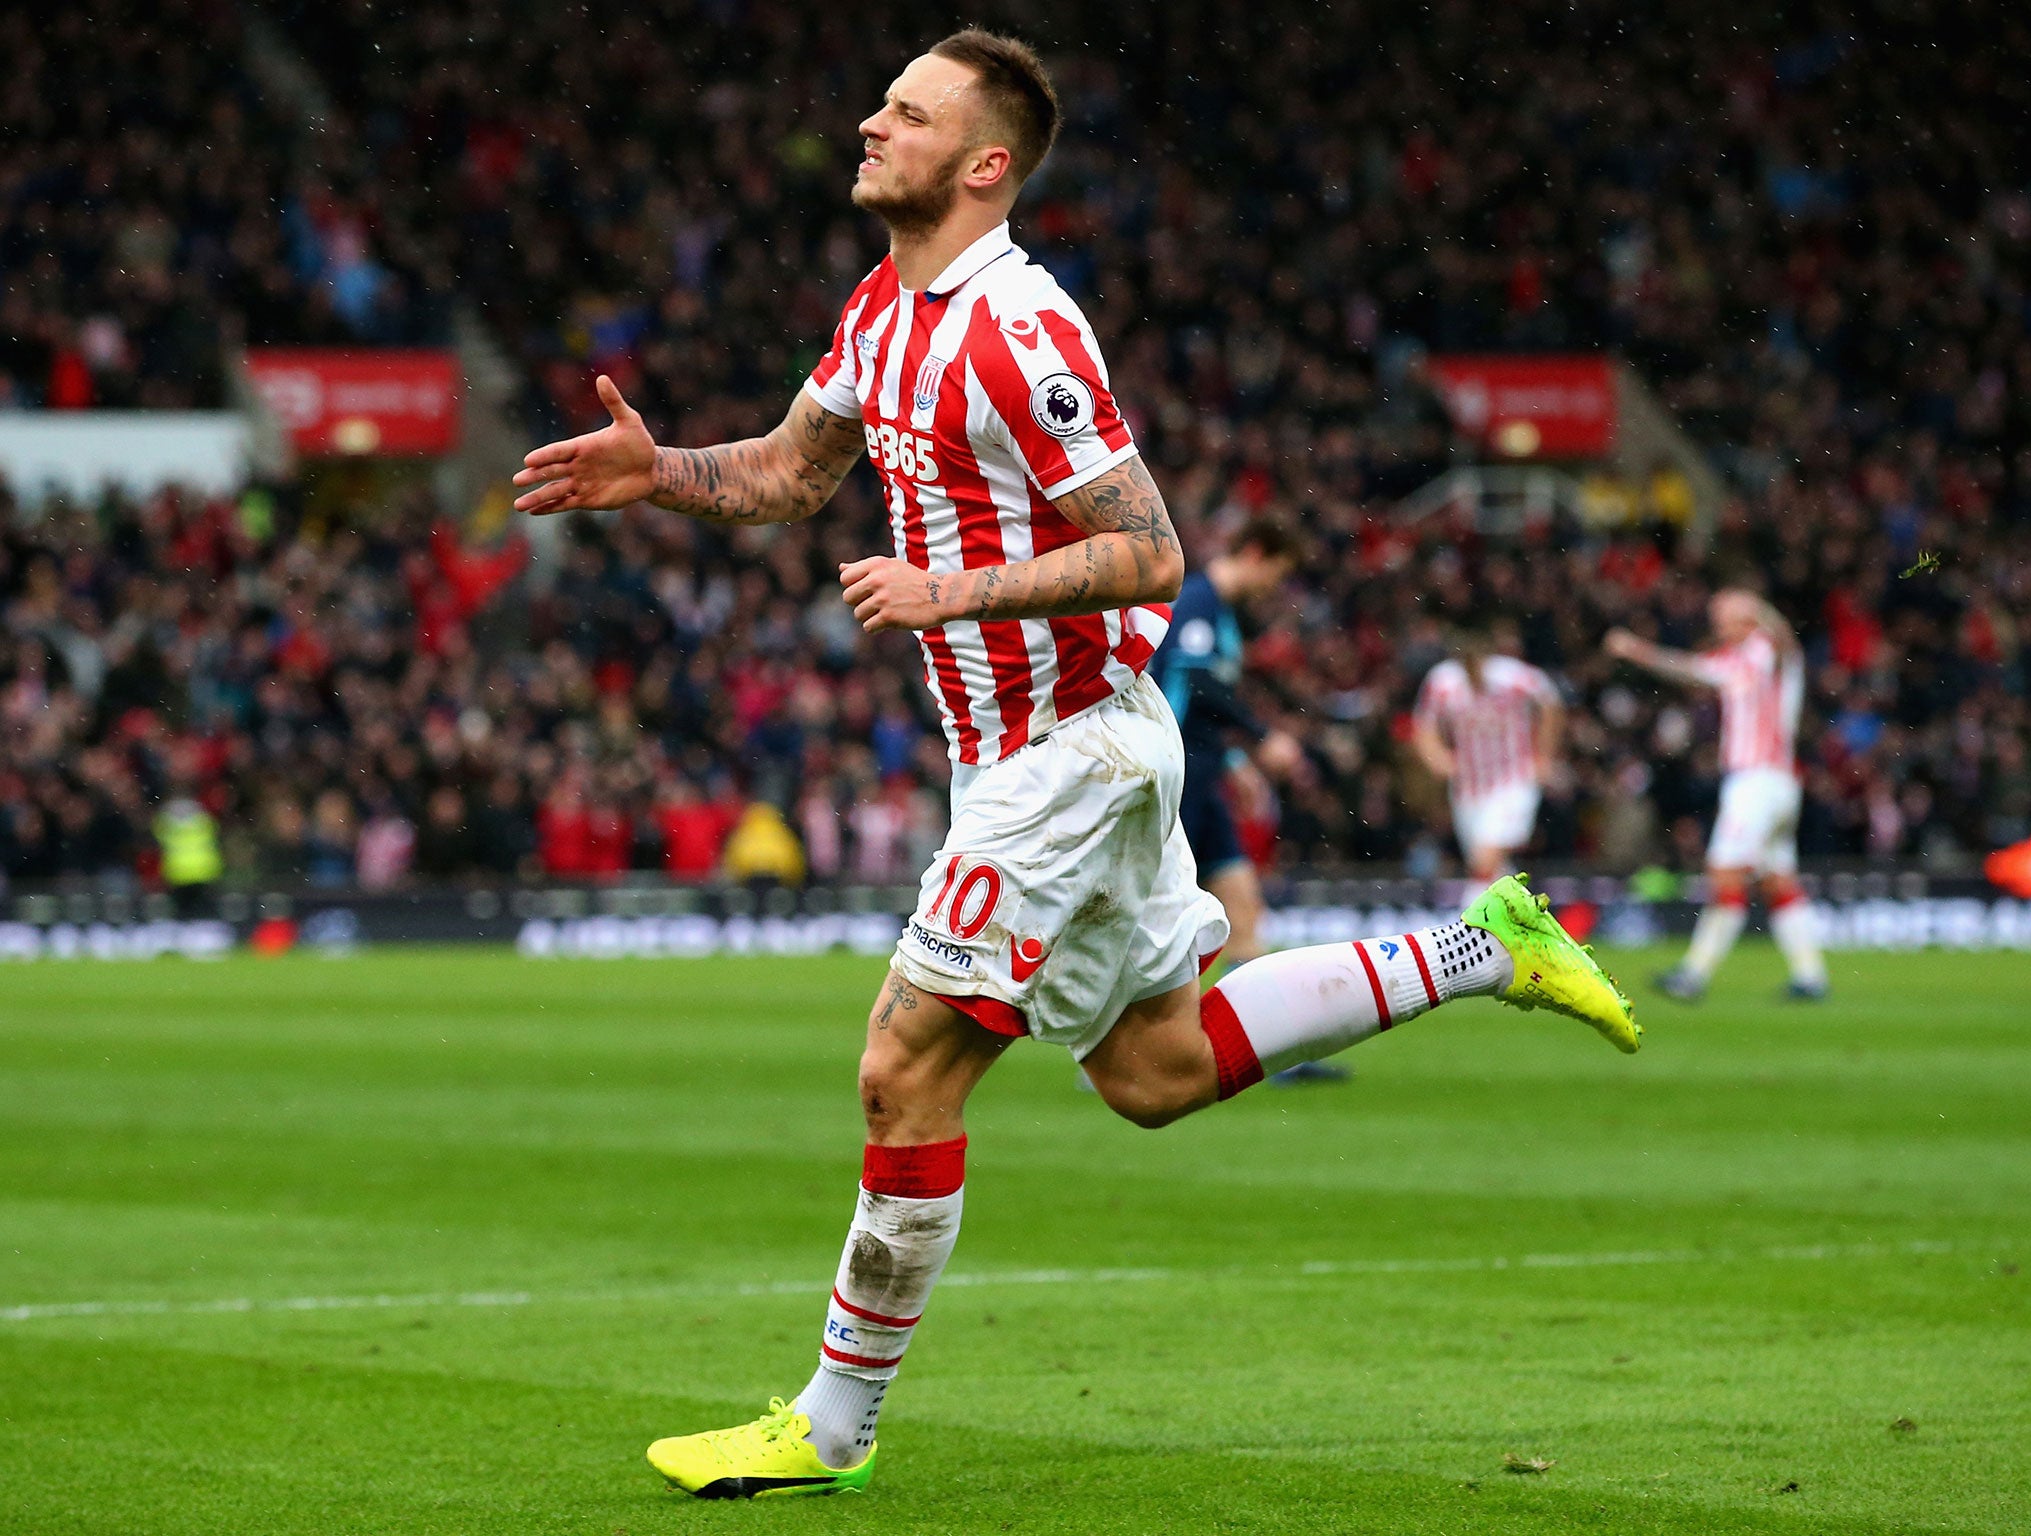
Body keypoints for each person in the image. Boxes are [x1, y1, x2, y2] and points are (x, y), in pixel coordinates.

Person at [513, 28, 1638, 1501]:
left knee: (903, 1067)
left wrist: (950, 593)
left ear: (984, 165)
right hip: (1032, 758)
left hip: (1074, 754)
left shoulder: (1019, 330)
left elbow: (1152, 548)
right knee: (1154, 1073)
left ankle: (829, 1427)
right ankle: (1478, 947)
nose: (867, 123)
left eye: (904, 113)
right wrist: (657, 474)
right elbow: (795, 472)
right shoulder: (879, 310)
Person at [1151, 517, 1345, 1085]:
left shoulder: (1220, 613)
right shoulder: (1197, 601)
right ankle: (1119, 1053)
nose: (1273, 589)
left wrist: (1235, 764)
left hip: (1205, 777)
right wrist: (1263, 738)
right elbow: (1195, 686)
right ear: (1257, 551)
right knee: (1161, 918)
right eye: (1276, 574)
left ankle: (1270, 1050)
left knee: (1244, 909)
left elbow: (1197, 700)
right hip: (1176, 781)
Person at [1605, 588, 1828, 1001]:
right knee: (1779, 882)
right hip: (1775, 783)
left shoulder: (1768, 651)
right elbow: (1690, 669)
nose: (1720, 626)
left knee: (1725, 873)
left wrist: (1757, 610)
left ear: (1750, 619)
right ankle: (1811, 976)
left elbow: (1784, 641)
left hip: (1757, 783)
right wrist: (1638, 651)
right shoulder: (1737, 661)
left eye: (1726, 617)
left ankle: (1694, 973)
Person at [1412, 620, 1563, 895]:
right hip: (1469, 788)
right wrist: (1436, 756)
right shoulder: (1443, 681)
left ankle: (1467, 925)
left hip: (1513, 781)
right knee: (1493, 869)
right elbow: (1424, 724)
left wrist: (1544, 756)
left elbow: (1551, 702)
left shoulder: (1511, 676)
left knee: (1485, 858)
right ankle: (1514, 925)